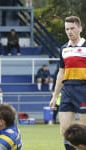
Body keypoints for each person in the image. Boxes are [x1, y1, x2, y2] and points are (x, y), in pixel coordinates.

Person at [50, 16, 86, 150]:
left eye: (72, 28)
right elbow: (61, 73)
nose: (69, 31)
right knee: (65, 130)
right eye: (67, 29)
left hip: (83, 90)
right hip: (67, 91)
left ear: (80, 28)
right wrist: (54, 96)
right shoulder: (64, 49)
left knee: (84, 132)